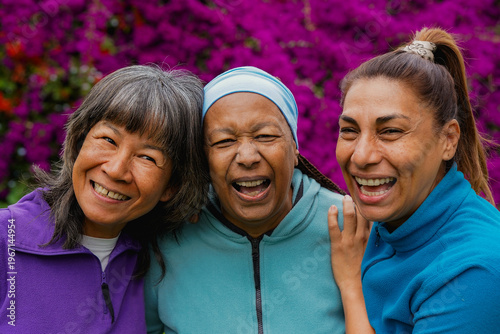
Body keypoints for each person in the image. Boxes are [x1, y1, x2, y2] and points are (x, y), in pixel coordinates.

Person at [0, 65, 209, 333]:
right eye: (108, 139)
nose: (116, 169)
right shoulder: (8, 239)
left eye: (147, 157)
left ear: (172, 186)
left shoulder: (155, 259)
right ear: (78, 143)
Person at [145, 66, 347, 333]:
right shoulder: (168, 232)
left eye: (265, 136)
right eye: (224, 141)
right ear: (204, 158)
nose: (247, 156)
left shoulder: (347, 225)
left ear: (295, 148)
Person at [328, 27, 500, 333]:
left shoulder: (473, 271)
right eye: (349, 130)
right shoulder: (389, 219)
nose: (361, 156)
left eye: (390, 131)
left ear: (448, 140)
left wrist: (351, 283)